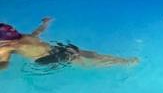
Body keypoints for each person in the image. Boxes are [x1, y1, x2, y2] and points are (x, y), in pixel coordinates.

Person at [0, 18, 138, 70]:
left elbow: (36, 34)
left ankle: (122, 60)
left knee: (90, 54)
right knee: (83, 63)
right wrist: (9, 49)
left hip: (54, 49)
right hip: (46, 58)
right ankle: (121, 64)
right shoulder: (6, 48)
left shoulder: (22, 36)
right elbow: (3, 65)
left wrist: (45, 24)